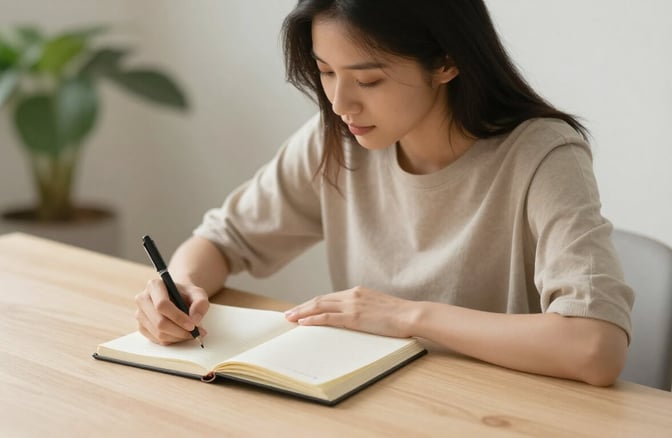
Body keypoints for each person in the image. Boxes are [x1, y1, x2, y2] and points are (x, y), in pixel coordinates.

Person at [135, 0, 633, 386]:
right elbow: (223, 240)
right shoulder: (338, 137)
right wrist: (177, 289)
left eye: (367, 79)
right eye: (325, 71)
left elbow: (594, 346)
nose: (339, 102)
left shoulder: (542, 155)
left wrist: (405, 316)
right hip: (370, 400)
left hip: (496, 412)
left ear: (446, 62)